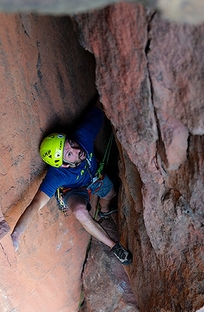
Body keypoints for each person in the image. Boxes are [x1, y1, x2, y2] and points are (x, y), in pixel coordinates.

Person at [11, 104, 133, 265]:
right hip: (73, 190)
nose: (77, 150)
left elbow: (100, 106)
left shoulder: (82, 136)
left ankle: (103, 211)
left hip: (94, 176)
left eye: (71, 144)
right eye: (70, 154)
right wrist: (16, 235)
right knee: (80, 212)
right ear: (64, 164)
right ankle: (114, 246)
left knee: (111, 195)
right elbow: (36, 204)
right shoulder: (57, 175)